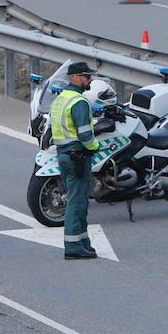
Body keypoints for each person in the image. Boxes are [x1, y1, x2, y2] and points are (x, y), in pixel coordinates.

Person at [51, 61, 101, 260]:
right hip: (77, 156)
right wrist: (95, 147)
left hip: (64, 154)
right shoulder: (79, 102)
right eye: (87, 76)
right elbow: (85, 134)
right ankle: (73, 246)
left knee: (78, 199)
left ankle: (82, 242)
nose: (90, 80)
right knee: (77, 201)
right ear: (75, 78)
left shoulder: (60, 99)